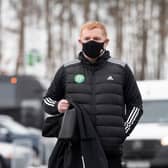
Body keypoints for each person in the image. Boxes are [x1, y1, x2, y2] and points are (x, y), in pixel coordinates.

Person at [43, 21, 143, 168]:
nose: (91, 42)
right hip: (77, 151)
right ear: (80, 41)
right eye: (87, 39)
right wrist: (58, 106)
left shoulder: (121, 69)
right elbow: (47, 100)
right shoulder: (67, 70)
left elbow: (136, 105)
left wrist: (123, 130)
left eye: (96, 39)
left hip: (110, 150)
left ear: (106, 42)